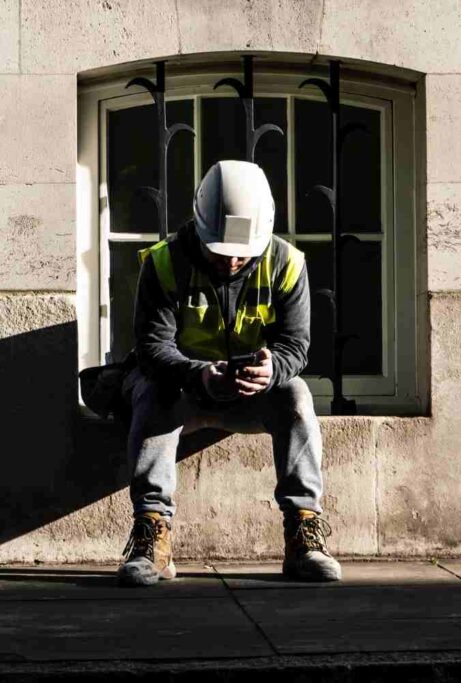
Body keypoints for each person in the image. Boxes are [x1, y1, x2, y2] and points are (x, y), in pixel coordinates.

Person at [117, 159, 342, 587]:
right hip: (185, 389)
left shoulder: (287, 264)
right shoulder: (164, 263)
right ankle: (152, 535)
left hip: (252, 393)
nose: (233, 260)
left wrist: (272, 369)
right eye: (221, 251)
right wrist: (199, 374)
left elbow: (297, 346)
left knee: (296, 396)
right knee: (151, 391)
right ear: (200, 230)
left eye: (244, 252)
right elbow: (151, 348)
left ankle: (304, 533)